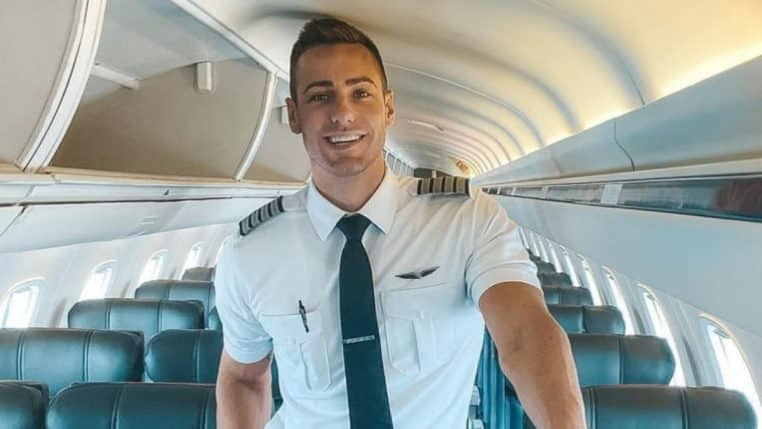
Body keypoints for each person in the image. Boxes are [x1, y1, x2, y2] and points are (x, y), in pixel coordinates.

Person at [215, 17, 585, 429]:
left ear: (388, 107)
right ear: (294, 114)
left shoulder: (464, 219)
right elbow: (243, 377)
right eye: (320, 97)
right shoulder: (250, 250)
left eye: (360, 93)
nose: (343, 113)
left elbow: (524, 335)